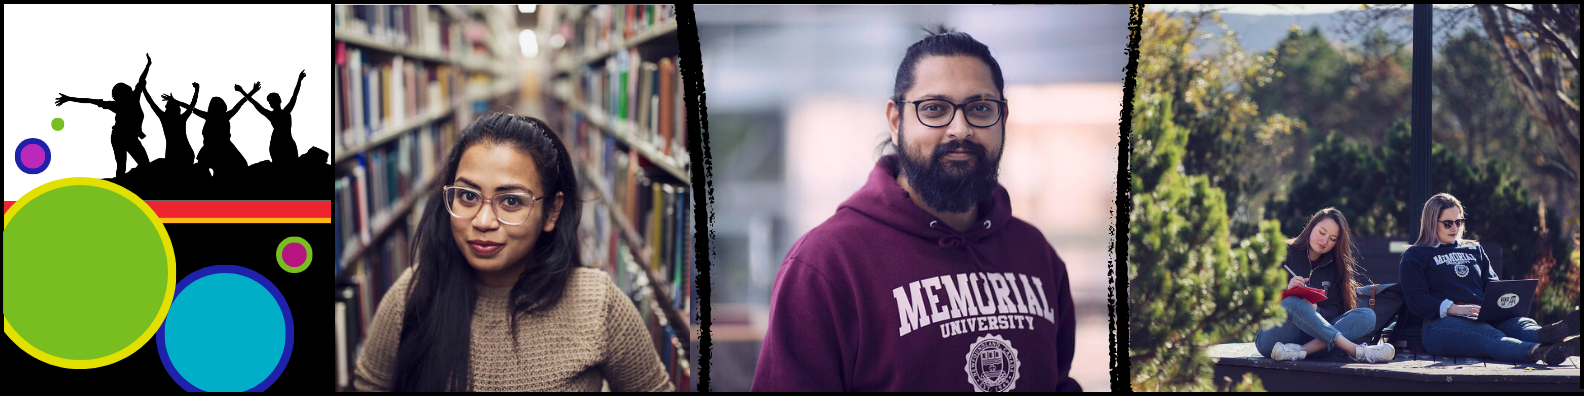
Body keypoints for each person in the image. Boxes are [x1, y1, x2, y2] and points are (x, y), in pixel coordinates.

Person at [751, 26, 1080, 392]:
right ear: (896, 121)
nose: (960, 129)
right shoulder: (826, 263)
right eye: (935, 109)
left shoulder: (1035, 253)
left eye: (980, 108)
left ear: (1003, 119)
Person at [353, 113, 672, 391]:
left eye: (511, 201)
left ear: (552, 211)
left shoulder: (599, 305)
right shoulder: (412, 294)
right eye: (467, 195)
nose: (483, 221)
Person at [1400, 193, 1580, 365]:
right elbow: (1416, 300)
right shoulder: (1416, 255)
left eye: (1459, 222)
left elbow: (1493, 287)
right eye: (1448, 223)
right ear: (1432, 223)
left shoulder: (1474, 250)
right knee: (1489, 336)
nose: (1455, 228)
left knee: (1521, 325)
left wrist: (1502, 305)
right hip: (1440, 326)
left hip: (1483, 316)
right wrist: (1456, 309)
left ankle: (1551, 335)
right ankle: (1539, 351)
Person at [1253, 208, 1396, 362]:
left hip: (1313, 339)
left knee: (1367, 316)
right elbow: (1260, 302)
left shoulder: (1334, 266)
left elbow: (1335, 310)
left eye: (1333, 238)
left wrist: (1316, 309)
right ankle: (1354, 350)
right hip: (1275, 338)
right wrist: (1286, 290)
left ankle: (1300, 351)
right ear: (1311, 227)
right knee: (1291, 303)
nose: (1324, 241)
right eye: (1322, 233)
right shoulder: (1284, 252)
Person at [54, 53, 153, 177]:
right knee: (123, 166)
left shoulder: (132, 98)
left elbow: (141, 79)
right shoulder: (122, 103)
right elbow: (91, 101)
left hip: (128, 137)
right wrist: (69, 98)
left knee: (140, 165)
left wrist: (148, 65)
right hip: (120, 137)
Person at [162, 82, 259, 178]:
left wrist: (175, 101)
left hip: (217, 148)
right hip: (219, 148)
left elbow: (190, 107)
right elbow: (241, 103)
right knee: (237, 166)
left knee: (232, 167)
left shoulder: (211, 116)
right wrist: (249, 91)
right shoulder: (223, 116)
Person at [241, 70, 305, 165]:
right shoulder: (277, 113)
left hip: (286, 144)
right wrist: (299, 80)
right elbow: (254, 103)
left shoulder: (281, 112)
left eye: (272, 101)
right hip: (278, 146)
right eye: (270, 101)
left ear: (279, 100)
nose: (272, 103)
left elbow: (295, 95)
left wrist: (299, 80)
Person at [143, 81, 200, 166]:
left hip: (173, 155)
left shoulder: (164, 117)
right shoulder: (181, 118)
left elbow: (151, 102)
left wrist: (143, 88)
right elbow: (192, 104)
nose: (165, 107)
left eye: (167, 105)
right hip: (186, 153)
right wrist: (197, 90)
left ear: (168, 108)